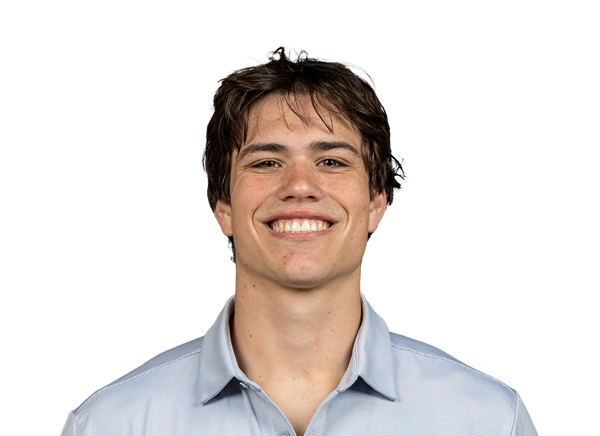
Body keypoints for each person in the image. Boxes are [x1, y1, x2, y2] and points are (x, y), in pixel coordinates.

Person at [60, 46, 537, 436]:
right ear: (222, 205)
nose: (300, 185)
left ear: (376, 202)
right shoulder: (110, 425)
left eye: (331, 161)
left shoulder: (488, 420)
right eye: (267, 162)